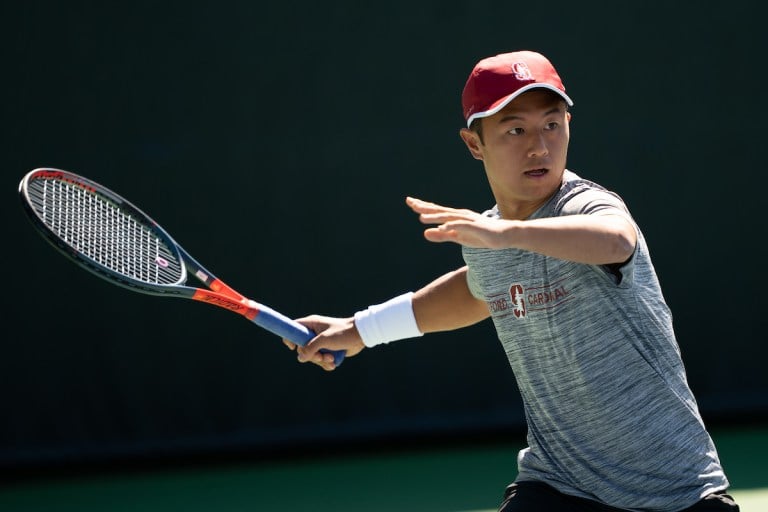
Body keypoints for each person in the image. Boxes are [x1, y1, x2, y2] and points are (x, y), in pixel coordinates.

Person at [284, 50, 739, 511]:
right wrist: (360, 329)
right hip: (561, 484)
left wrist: (505, 233)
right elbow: (475, 289)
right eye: (515, 129)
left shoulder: (584, 206)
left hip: (678, 492)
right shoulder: (490, 240)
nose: (539, 146)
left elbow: (617, 240)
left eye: (552, 124)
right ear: (474, 144)